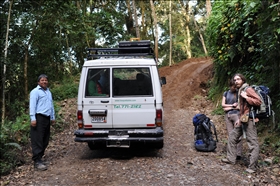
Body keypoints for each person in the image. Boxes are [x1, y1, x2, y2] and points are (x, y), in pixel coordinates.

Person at [222, 73, 262, 173]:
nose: (236, 81)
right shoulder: (240, 90)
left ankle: (252, 167)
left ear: (243, 80)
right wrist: (239, 119)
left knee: (253, 143)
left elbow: (258, 101)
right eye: (235, 80)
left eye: (238, 79)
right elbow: (242, 108)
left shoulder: (247, 89)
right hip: (243, 119)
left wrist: (246, 97)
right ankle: (231, 159)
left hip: (250, 120)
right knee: (232, 137)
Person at [29, 74, 55, 171]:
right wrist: (33, 118)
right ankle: (37, 161)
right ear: (38, 82)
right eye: (42, 80)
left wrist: (53, 117)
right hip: (38, 118)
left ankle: (40, 157)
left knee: (45, 139)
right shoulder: (35, 92)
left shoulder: (48, 92)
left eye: (45, 80)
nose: (44, 82)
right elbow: (32, 106)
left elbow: (51, 105)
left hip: (47, 118)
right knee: (37, 139)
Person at [222, 79, 242, 160]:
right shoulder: (226, 93)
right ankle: (232, 154)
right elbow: (223, 105)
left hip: (237, 115)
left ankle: (238, 153)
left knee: (238, 135)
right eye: (232, 86)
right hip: (228, 115)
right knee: (231, 135)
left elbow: (239, 106)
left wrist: (228, 107)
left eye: (234, 86)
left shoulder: (239, 93)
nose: (233, 88)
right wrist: (232, 106)